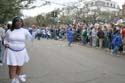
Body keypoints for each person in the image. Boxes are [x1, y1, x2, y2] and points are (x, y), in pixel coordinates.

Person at [3, 17, 33, 83]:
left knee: (19, 66)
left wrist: (33, 33)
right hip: (11, 51)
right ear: (14, 22)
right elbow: (5, 39)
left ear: (22, 23)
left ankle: (16, 77)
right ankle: (12, 80)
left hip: (21, 52)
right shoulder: (9, 31)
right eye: (17, 21)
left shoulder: (25, 31)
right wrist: (5, 44)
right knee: (13, 67)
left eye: (20, 21)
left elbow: (31, 39)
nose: (19, 22)